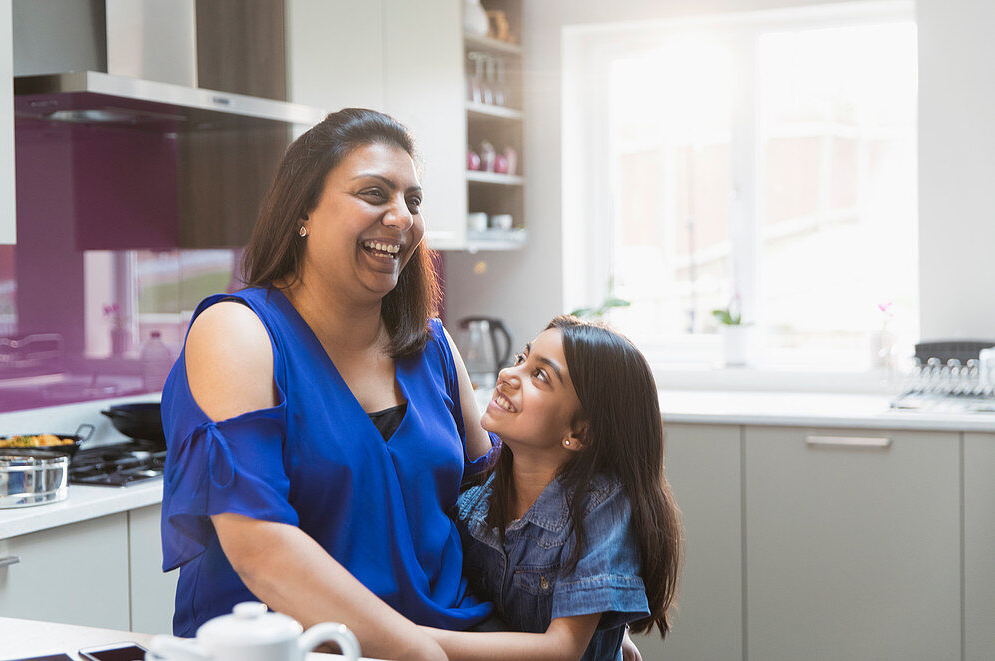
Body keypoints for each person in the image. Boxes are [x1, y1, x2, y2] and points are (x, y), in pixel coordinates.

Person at [159, 108, 497, 661]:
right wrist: (419, 653)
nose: (401, 218)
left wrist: (574, 606)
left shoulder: (432, 345)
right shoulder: (239, 332)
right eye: (373, 193)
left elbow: (497, 506)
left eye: (412, 201)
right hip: (297, 651)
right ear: (303, 213)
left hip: (452, 635)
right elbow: (260, 547)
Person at [419, 316, 683, 661]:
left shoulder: (601, 507)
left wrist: (406, 639)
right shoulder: (475, 502)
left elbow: (562, 650)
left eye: (539, 375)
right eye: (520, 359)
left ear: (580, 434)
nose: (507, 375)